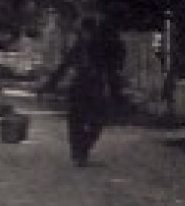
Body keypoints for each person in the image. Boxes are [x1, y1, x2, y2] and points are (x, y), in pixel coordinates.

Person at [40, 16, 125, 166]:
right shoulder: (78, 47)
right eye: (84, 32)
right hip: (80, 87)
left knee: (97, 121)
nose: (85, 35)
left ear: (92, 32)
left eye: (87, 32)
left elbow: (111, 70)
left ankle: (82, 149)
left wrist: (115, 91)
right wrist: (49, 85)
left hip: (94, 87)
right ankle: (78, 153)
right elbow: (64, 66)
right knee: (75, 121)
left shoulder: (101, 48)